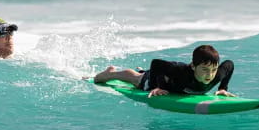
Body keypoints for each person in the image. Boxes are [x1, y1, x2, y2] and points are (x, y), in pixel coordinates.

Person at [93, 44, 235, 97]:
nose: (210, 74)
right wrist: (156, 87)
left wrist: (223, 87)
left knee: (144, 73)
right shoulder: (181, 71)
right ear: (193, 66)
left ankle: (142, 72)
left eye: (213, 69)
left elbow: (229, 64)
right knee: (139, 79)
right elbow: (156, 63)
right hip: (159, 78)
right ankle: (110, 73)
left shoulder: (217, 74)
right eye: (204, 69)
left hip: (169, 77)